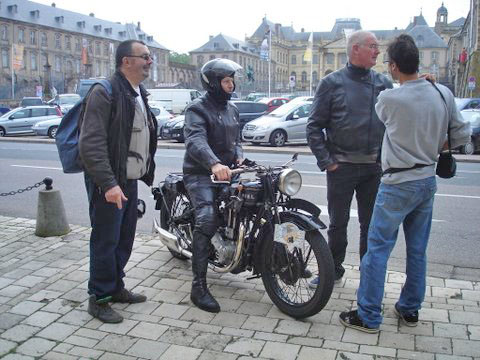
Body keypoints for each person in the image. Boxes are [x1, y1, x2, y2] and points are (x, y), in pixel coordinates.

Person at [339, 34, 471, 333]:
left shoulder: (389, 99)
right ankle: (410, 309)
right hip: (426, 180)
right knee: (417, 250)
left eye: (388, 63)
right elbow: (461, 135)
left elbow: (387, 114)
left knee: (377, 250)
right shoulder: (443, 93)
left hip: (397, 183)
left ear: (395, 65)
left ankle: (369, 315)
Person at [79, 40, 158, 323]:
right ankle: (98, 299)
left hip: (128, 179)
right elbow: (91, 144)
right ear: (126, 61)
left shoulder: (138, 93)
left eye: (150, 57)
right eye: (145, 57)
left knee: (124, 239)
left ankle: (115, 287)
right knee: (105, 239)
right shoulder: (105, 91)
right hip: (109, 182)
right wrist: (109, 184)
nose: (150, 61)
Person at [306, 30, 393, 285]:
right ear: (356, 49)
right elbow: (313, 127)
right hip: (341, 167)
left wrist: (423, 82)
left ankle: (369, 273)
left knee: (370, 225)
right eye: (373, 46)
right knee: (338, 223)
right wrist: (327, 161)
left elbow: (395, 121)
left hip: (373, 168)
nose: (378, 51)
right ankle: (333, 269)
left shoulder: (383, 83)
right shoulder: (331, 82)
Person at [182, 58, 243, 313]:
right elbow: (195, 140)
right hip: (201, 173)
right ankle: (198, 287)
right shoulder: (196, 109)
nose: (231, 85)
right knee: (207, 218)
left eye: (232, 81)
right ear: (214, 83)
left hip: (228, 172)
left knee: (251, 203)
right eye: (226, 81)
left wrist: (239, 155)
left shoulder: (232, 109)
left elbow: (237, 138)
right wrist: (214, 163)